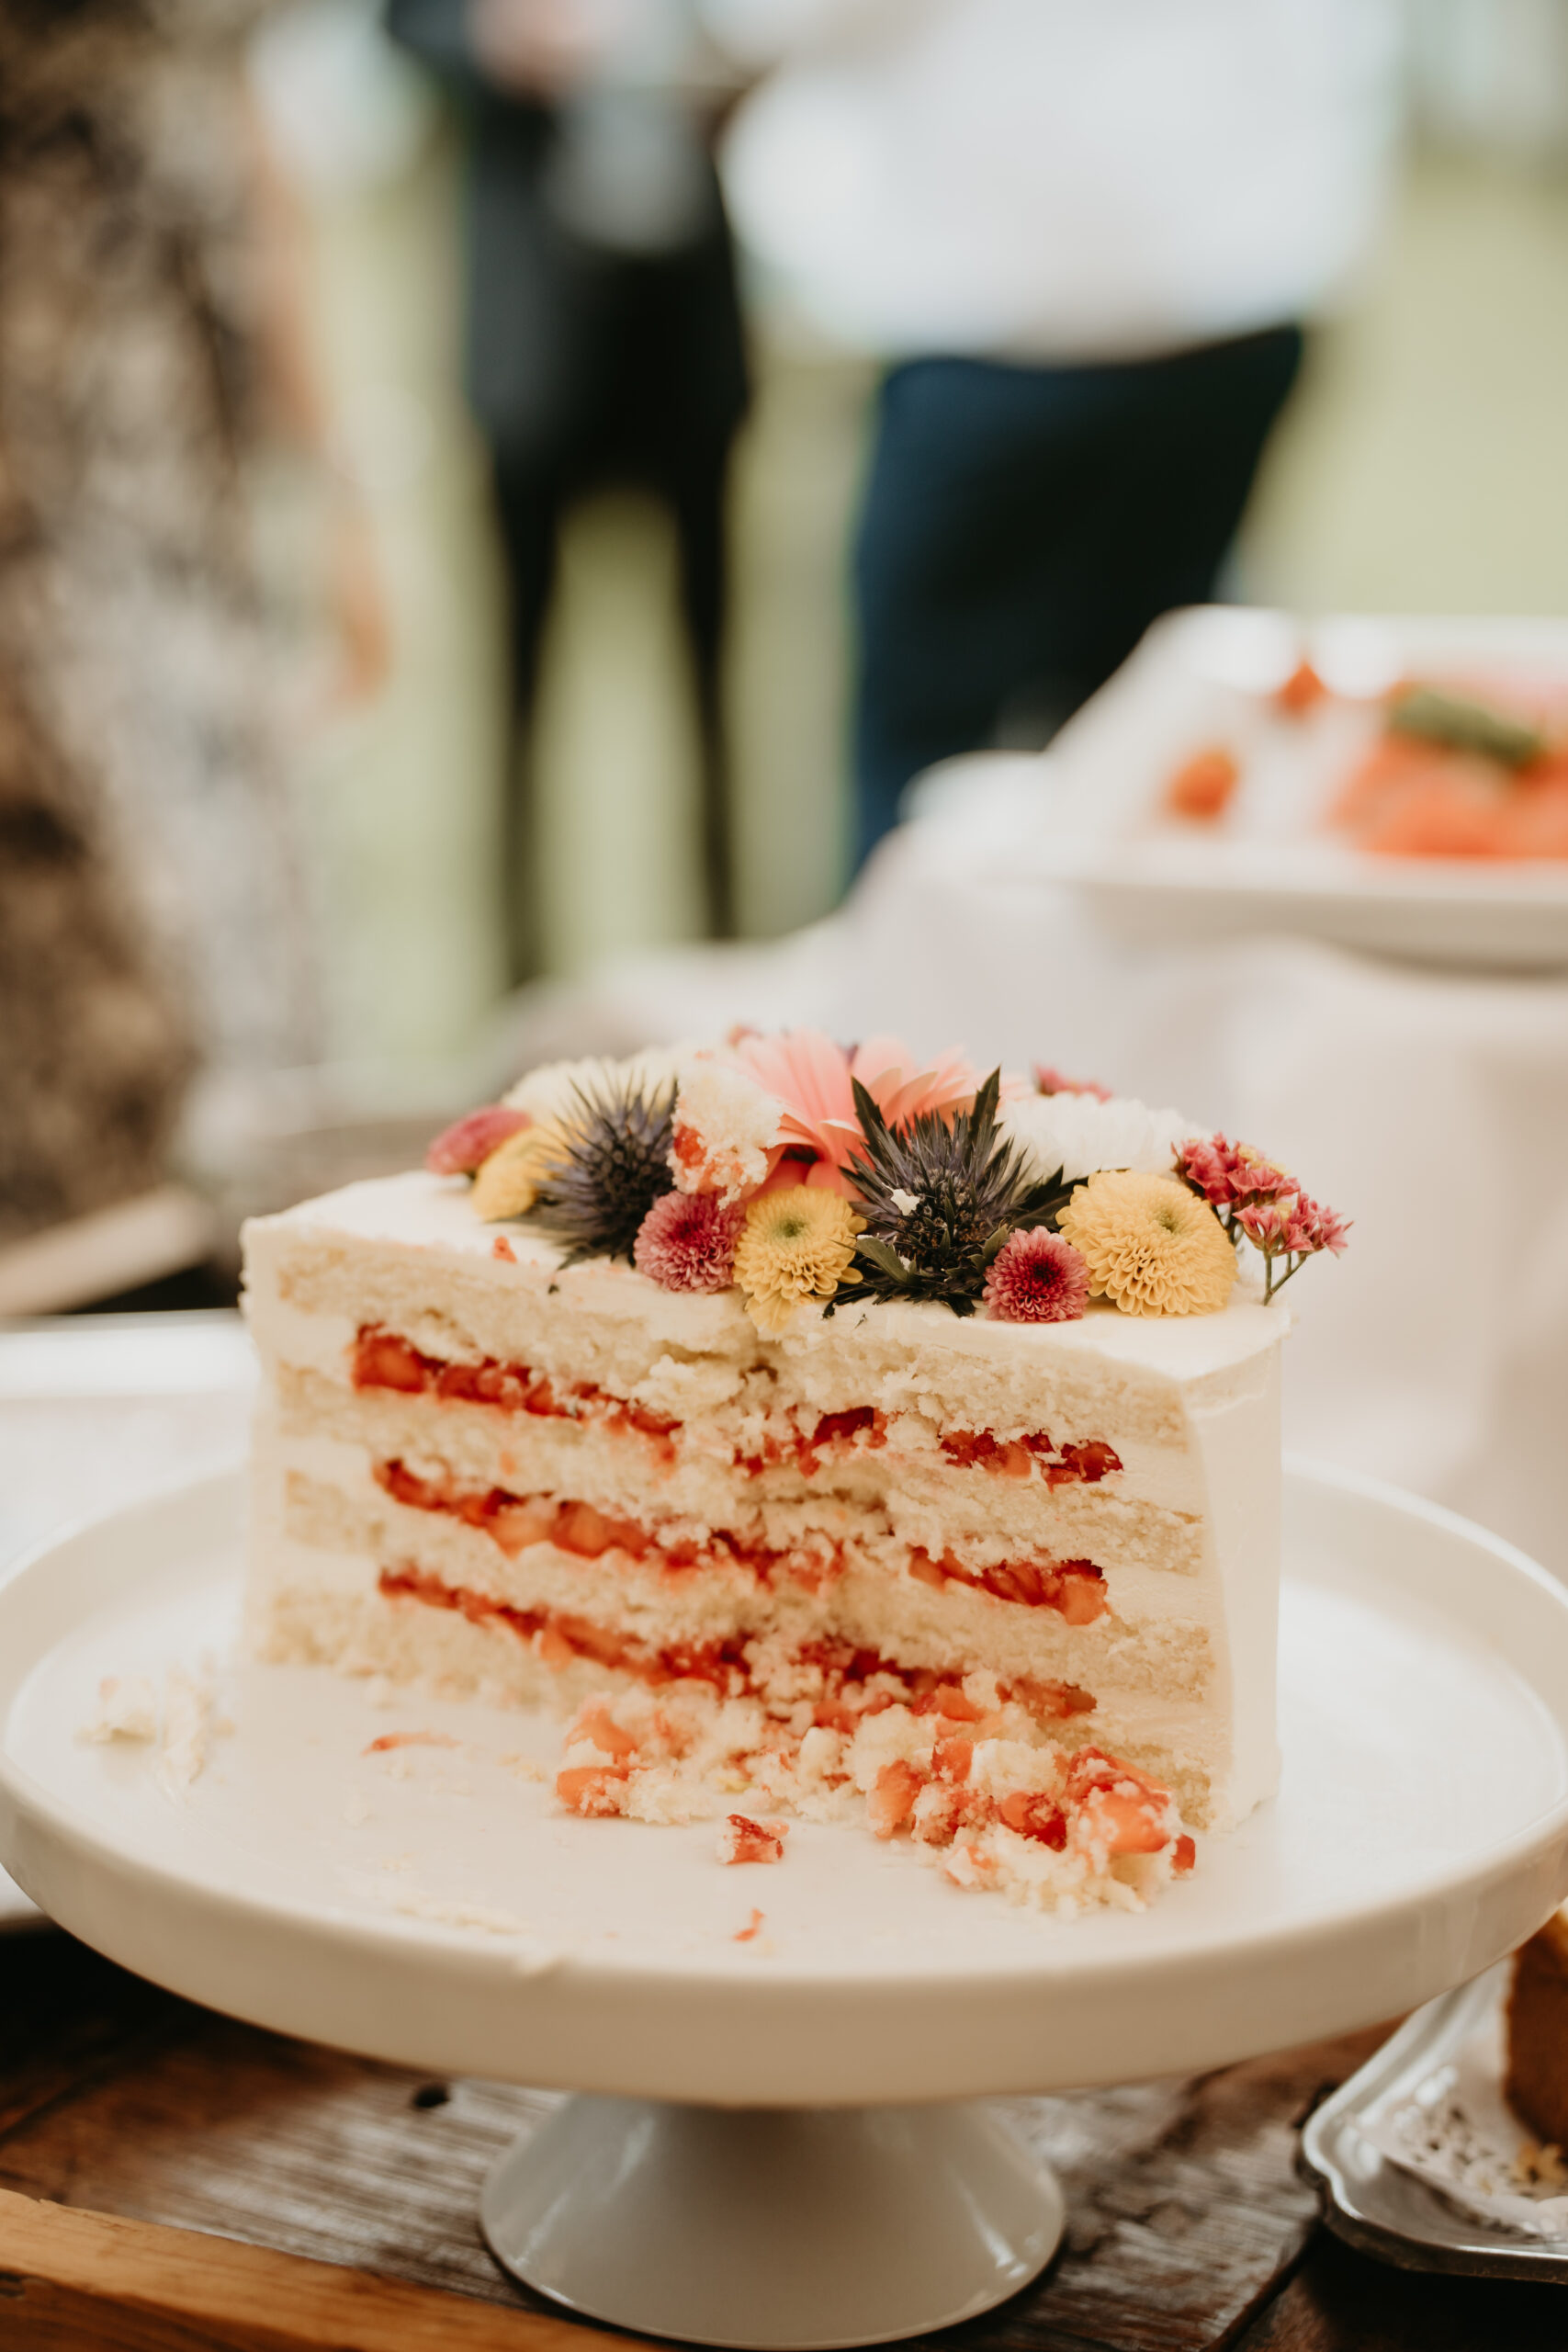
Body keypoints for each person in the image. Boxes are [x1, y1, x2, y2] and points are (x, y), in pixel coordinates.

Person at [701, 0, 1403, 868]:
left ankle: (927, 992)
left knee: (932, 772)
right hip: (1232, 299)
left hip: (1006, 316)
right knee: (1149, 747)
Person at [386, 0, 750, 966]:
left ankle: (724, 943)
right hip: (539, 330)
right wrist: (502, 43)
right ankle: (520, 957)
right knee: (517, 676)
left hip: (684, 320)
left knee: (713, 674)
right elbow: (401, 24)